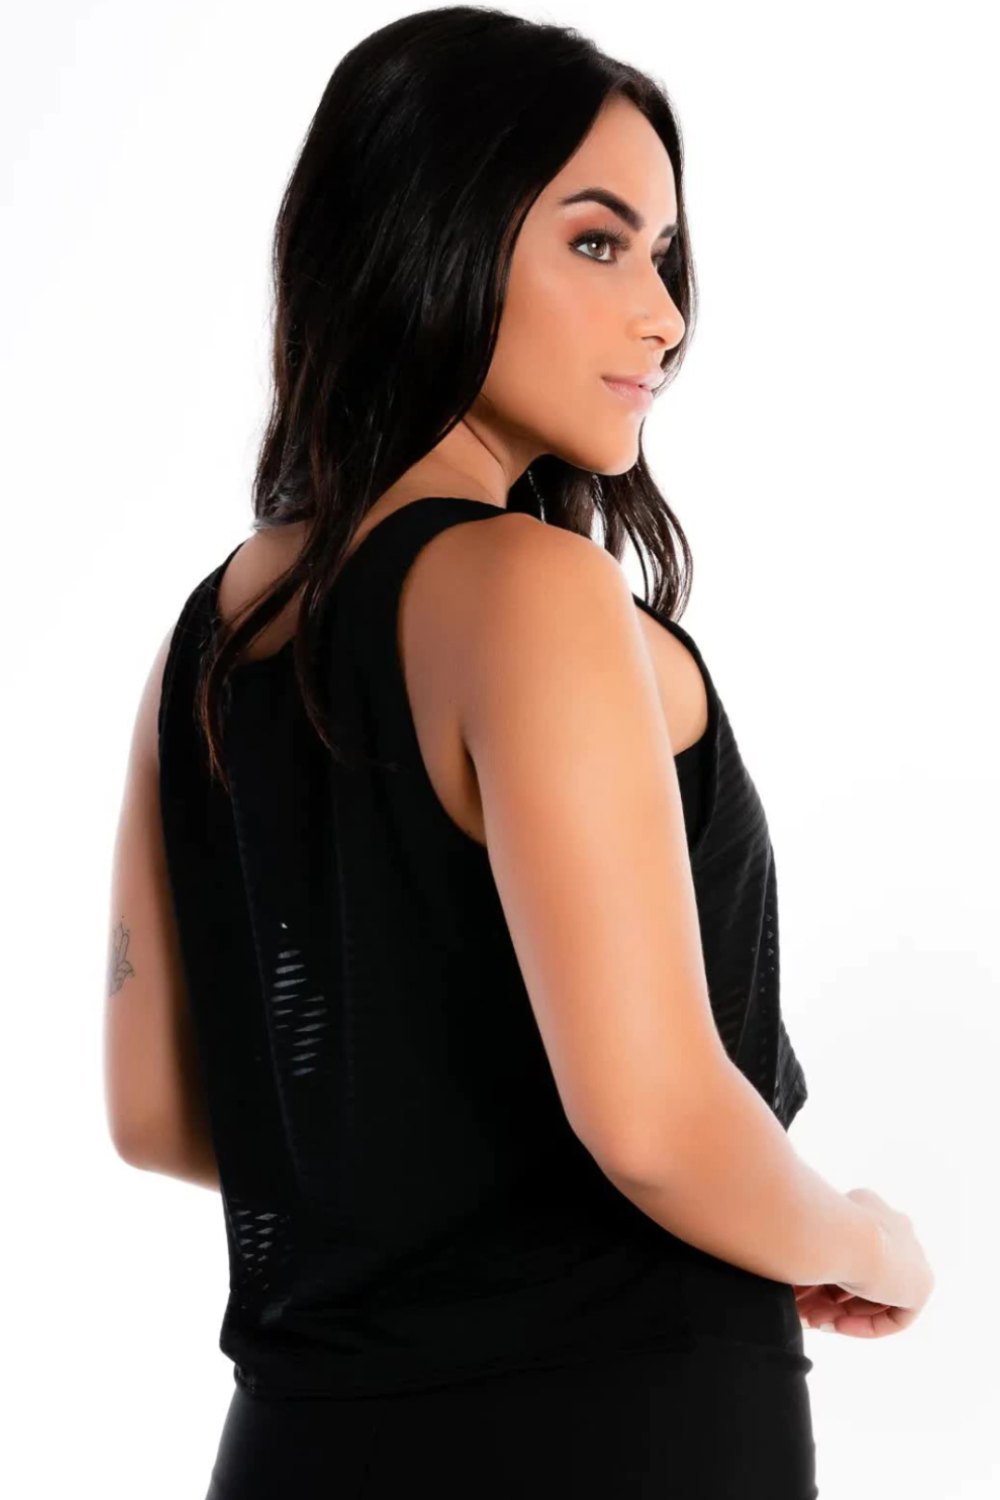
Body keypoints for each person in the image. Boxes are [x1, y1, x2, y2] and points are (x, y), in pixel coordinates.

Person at [103, 8, 934, 1497]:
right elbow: (660, 1127)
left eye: (665, 256)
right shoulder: (533, 591)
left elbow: (159, 1113)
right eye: (598, 243)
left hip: (299, 1438)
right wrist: (861, 1239)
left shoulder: (213, 636)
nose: (664, 317)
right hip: (618, 1425)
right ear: (427, 232)